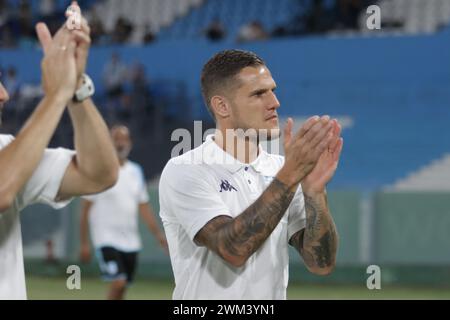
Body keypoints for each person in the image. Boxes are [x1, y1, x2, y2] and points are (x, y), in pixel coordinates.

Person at [159, 49, 343, 299]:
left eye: (273, 91)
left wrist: (315, 192)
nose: (274, 103)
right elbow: (232, 249)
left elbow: (320, 263)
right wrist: (291, 174)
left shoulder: (282, 169)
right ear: (222, 106)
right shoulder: (186, 169)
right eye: (258, 94)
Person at [0, 8, 119, 300]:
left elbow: (98, 175)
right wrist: (56, 95)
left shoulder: (7, 150)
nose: (4, 94)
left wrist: (76, 89)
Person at [79, 125, 168, 300]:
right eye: (116, 139)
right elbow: (85, 210)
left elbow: (143, 206)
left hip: (130, 241)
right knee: (117, 282)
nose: (120, 143)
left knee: (122, 287)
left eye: (124, 139)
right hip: (106, 238)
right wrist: (84, 243)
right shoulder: (100, 170)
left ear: (130, 143)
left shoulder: (135, 171)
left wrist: (158, 235)